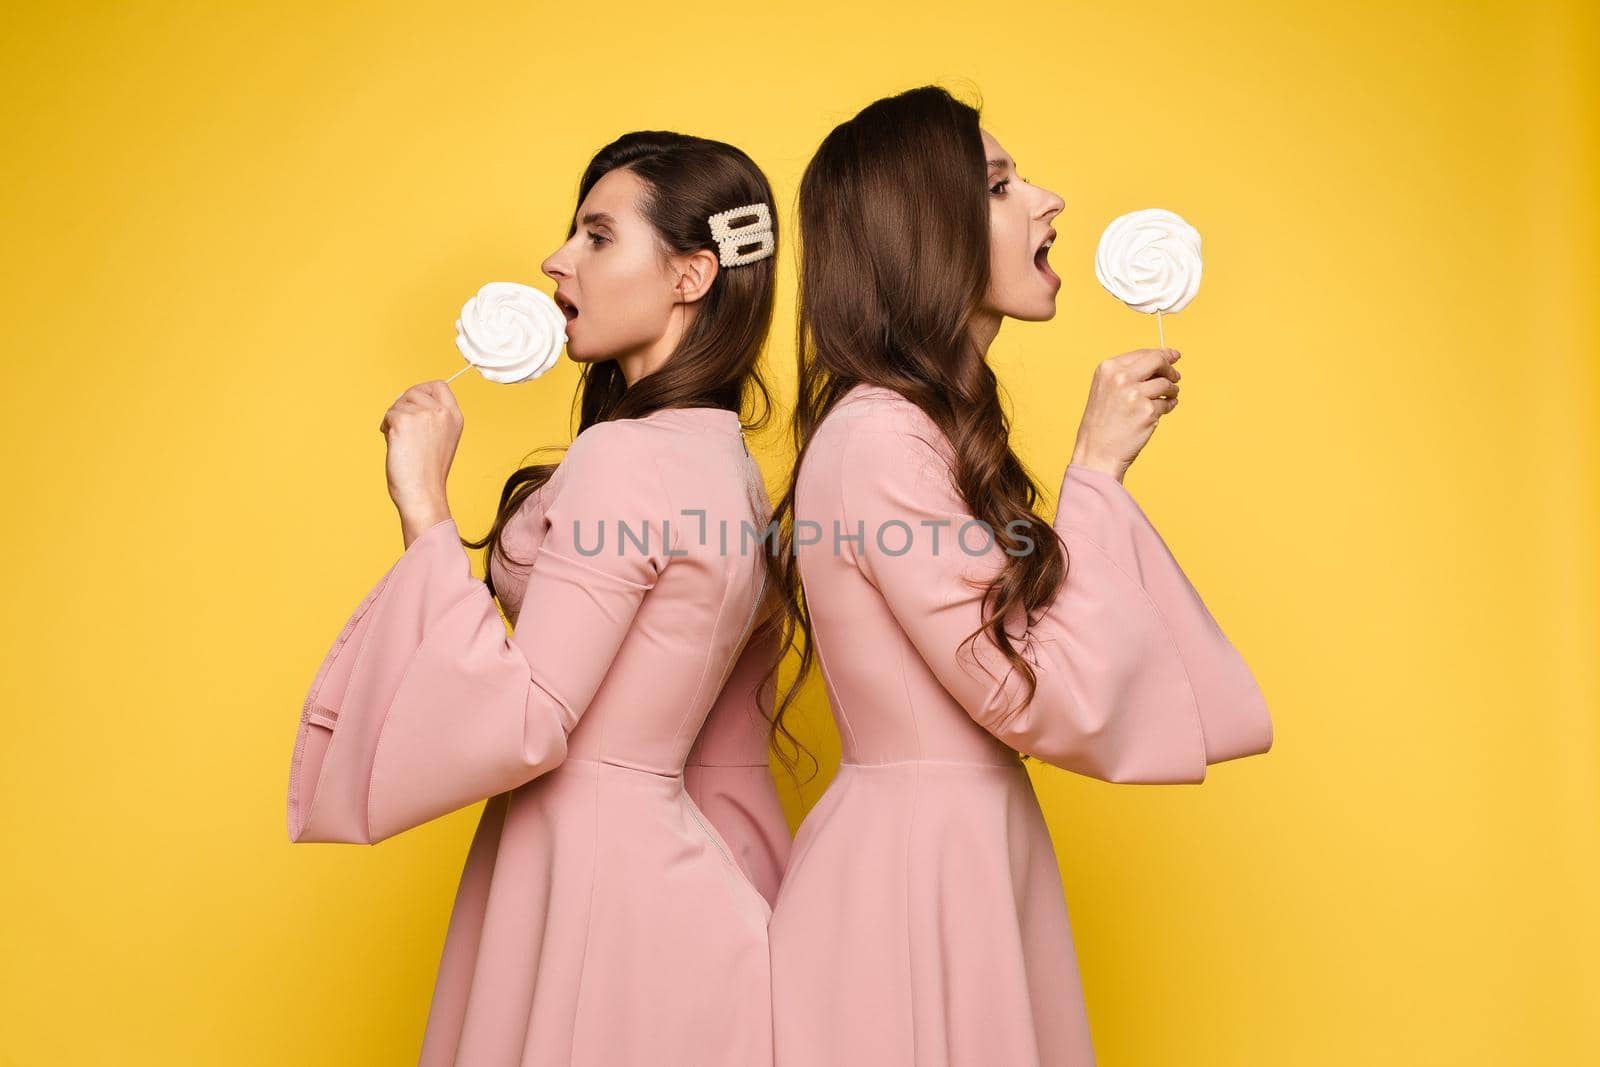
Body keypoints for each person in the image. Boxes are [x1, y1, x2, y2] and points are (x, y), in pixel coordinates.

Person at [763, 86, 1273, 1066]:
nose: (1048, 202)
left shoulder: (909, 432)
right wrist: (1094, 469)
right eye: (1000, 184)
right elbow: (1025, 689)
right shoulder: (880, 439)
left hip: (958, 848)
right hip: (920, 877)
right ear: (926, 230)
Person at [285, 130, 791, 1066]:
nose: (556, 259)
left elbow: (526, 718)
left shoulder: (626, 457)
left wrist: (424, 504)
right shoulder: (728, 463)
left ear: (690, 275)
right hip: (669, 881)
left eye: (598, 235)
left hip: (588, 881)